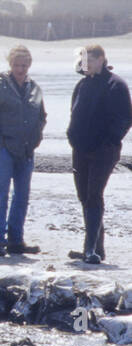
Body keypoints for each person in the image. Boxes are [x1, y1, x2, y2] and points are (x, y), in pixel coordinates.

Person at [0, 45, 46, 257]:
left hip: (26, 151)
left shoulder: (34, 88)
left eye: (24, 65)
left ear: (29, 65)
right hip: (4, 148)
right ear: (10, 64)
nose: (20, 68)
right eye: (17, 64)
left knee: (22, 196)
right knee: (1, 194)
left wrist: (35, 139)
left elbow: (41, 116)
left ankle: (16, 240)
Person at [67, 44, 132, 264]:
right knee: (84, 196)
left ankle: (90, 249)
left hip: (103, 151)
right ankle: (96, 247)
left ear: (102, 59)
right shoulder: (82, 85)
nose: (85, 65)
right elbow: (74, 113)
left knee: (94, 195)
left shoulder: (116, 85)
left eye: (90, 61)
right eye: (83, 61)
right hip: (81, 149)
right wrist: (72, 136)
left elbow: (124, 119)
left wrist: (108, 142)